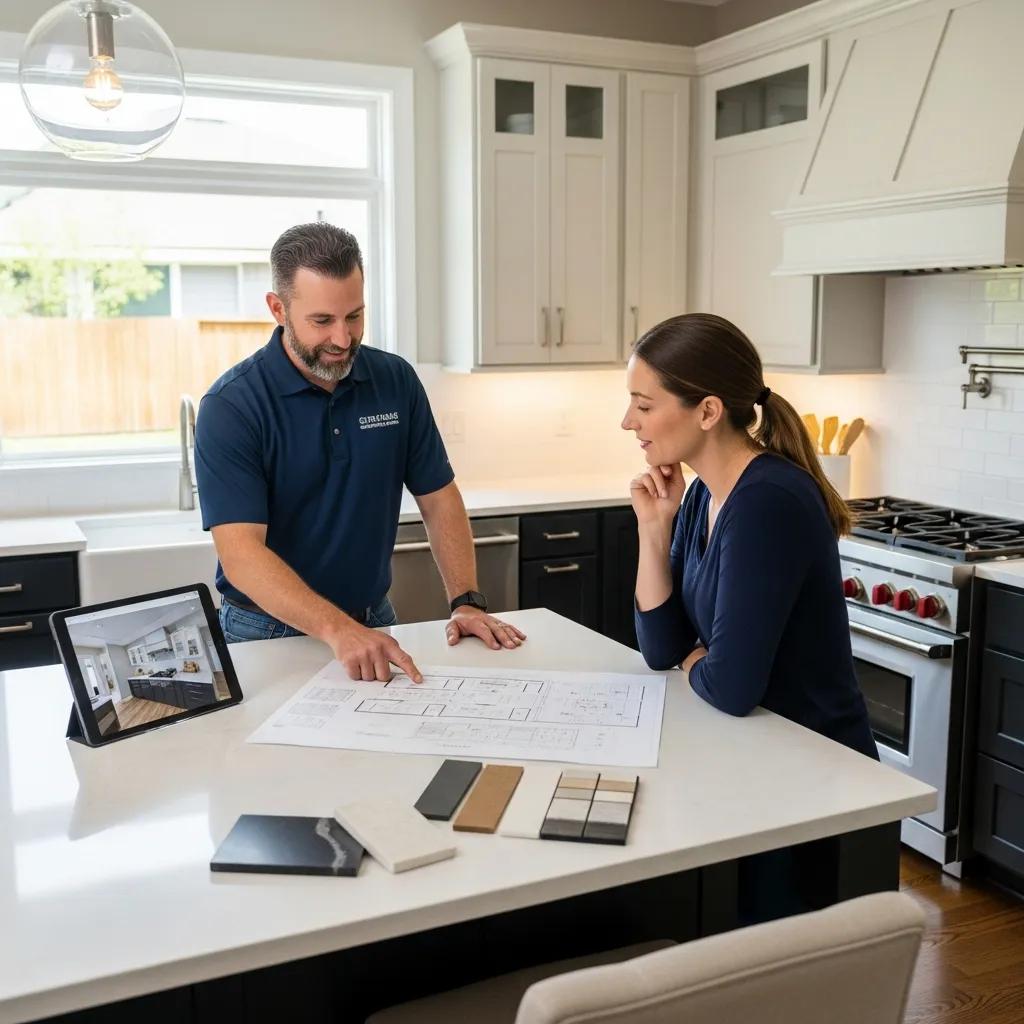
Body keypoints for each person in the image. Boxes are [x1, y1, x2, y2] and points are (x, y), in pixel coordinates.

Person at [621, 312, 877, 920]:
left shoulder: (767, 503)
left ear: (708, 411)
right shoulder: (704, 493)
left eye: (644, 405)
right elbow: (660, 648)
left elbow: (732, 687)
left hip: (817, 776)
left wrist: (696, 657)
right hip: (763, 759)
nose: (628, 421)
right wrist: (654, 530)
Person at [194, 222, 525, 683]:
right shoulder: (232, 406)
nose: (343, 339)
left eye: (354, 316)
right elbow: (241, 556)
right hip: (265, 632)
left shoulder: (395, 381)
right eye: (322, 321)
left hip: (373, 618)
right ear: (278, 308)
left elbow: (438, 497)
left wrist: (466, 601)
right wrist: (339, 630)